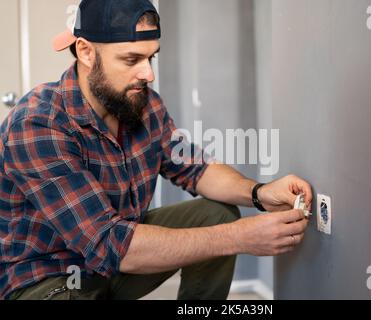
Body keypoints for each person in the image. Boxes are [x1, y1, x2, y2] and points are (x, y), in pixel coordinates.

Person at [0, 0, 312, 300]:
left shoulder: (143, 104)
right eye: (132, 59)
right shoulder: (38, 123)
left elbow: (194, 168)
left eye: (151, 58)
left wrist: (259, 192)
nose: (148, 74)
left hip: (114, 267)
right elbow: (109, 243)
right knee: (226, 231)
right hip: (46, 278)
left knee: (217, 214)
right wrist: (241, 237)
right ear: (85, 52)